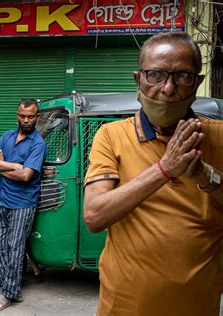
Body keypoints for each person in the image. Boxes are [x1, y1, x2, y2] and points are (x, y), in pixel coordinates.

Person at [83, 32, 223, 315]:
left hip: (197, 307)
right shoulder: (111, 136)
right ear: (138, 80)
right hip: (123, 307)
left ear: (196, 84)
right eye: (156, 75)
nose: (168, 89)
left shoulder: (218, 136)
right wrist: (164, 170)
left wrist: (206, 176)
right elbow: (94, 216)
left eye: (182, 76)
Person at [0, 98, 47, 312]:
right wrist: (11, 165)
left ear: (37, 117)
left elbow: (26, 175)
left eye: (31, 116)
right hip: (2, 199)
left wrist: (2, 167)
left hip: (23, 203)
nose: (26, 120)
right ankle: (12, 285)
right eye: (23, 116)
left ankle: (8, 294)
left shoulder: (38, 143)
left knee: (15, 248)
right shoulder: (7, 136)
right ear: (17, 115)